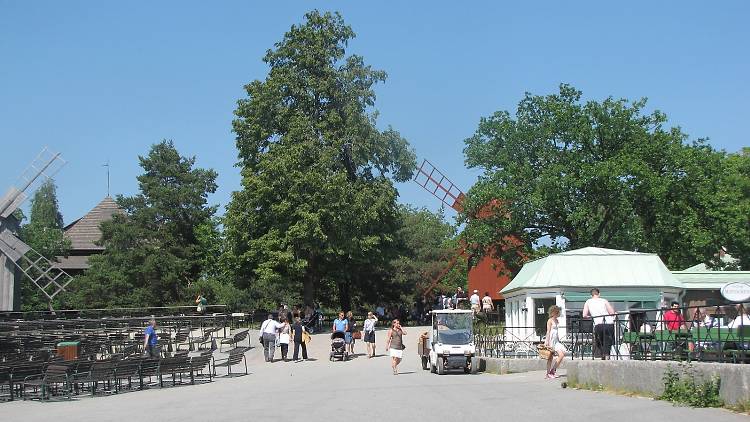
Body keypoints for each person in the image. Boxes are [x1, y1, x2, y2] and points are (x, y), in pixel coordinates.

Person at [582, 288, 616, 360]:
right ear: (599, 294)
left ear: (591, 295)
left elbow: (584, 315)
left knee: (599, 341)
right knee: (608, 340)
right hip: (609, 323)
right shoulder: (604, 300)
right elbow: (612, 312)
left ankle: (603, 355)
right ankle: (606, 355)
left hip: (598, 324)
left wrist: (592, 317)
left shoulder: (588, 302)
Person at [544, 306, 566, 379]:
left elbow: (556, 331)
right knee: (550, 357)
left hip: (556, 340)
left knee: (561, 354)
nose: (557, 314)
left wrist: (558, 339)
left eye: (558, 312)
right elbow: (548, 331)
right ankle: (548, 373)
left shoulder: (557, 321)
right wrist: (547, 341)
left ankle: (553, 370)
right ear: (553, 312)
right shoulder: (550, 320)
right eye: (556, 312)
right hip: (551, 339)